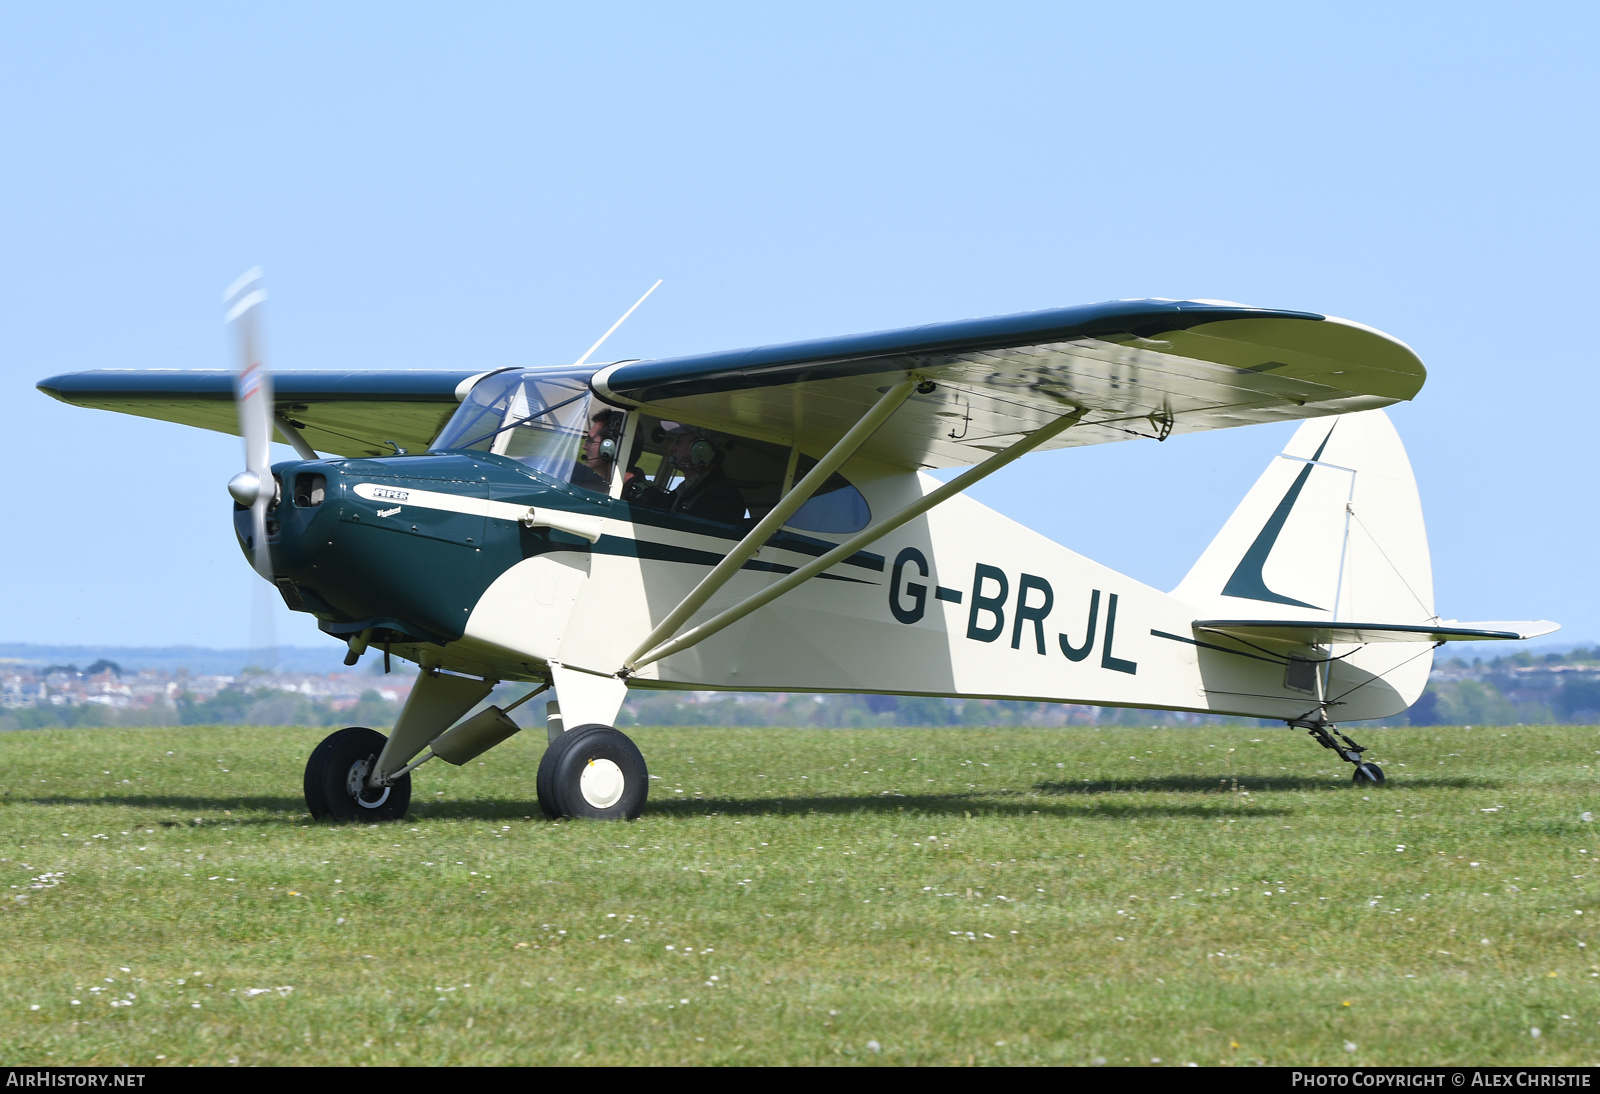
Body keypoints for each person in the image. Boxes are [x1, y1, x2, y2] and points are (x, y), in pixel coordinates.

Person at [662, 425, 745, 524]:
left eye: (679, 442)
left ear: (702, 449)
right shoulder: (687, 488)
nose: (671, 448)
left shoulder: (722, 497)